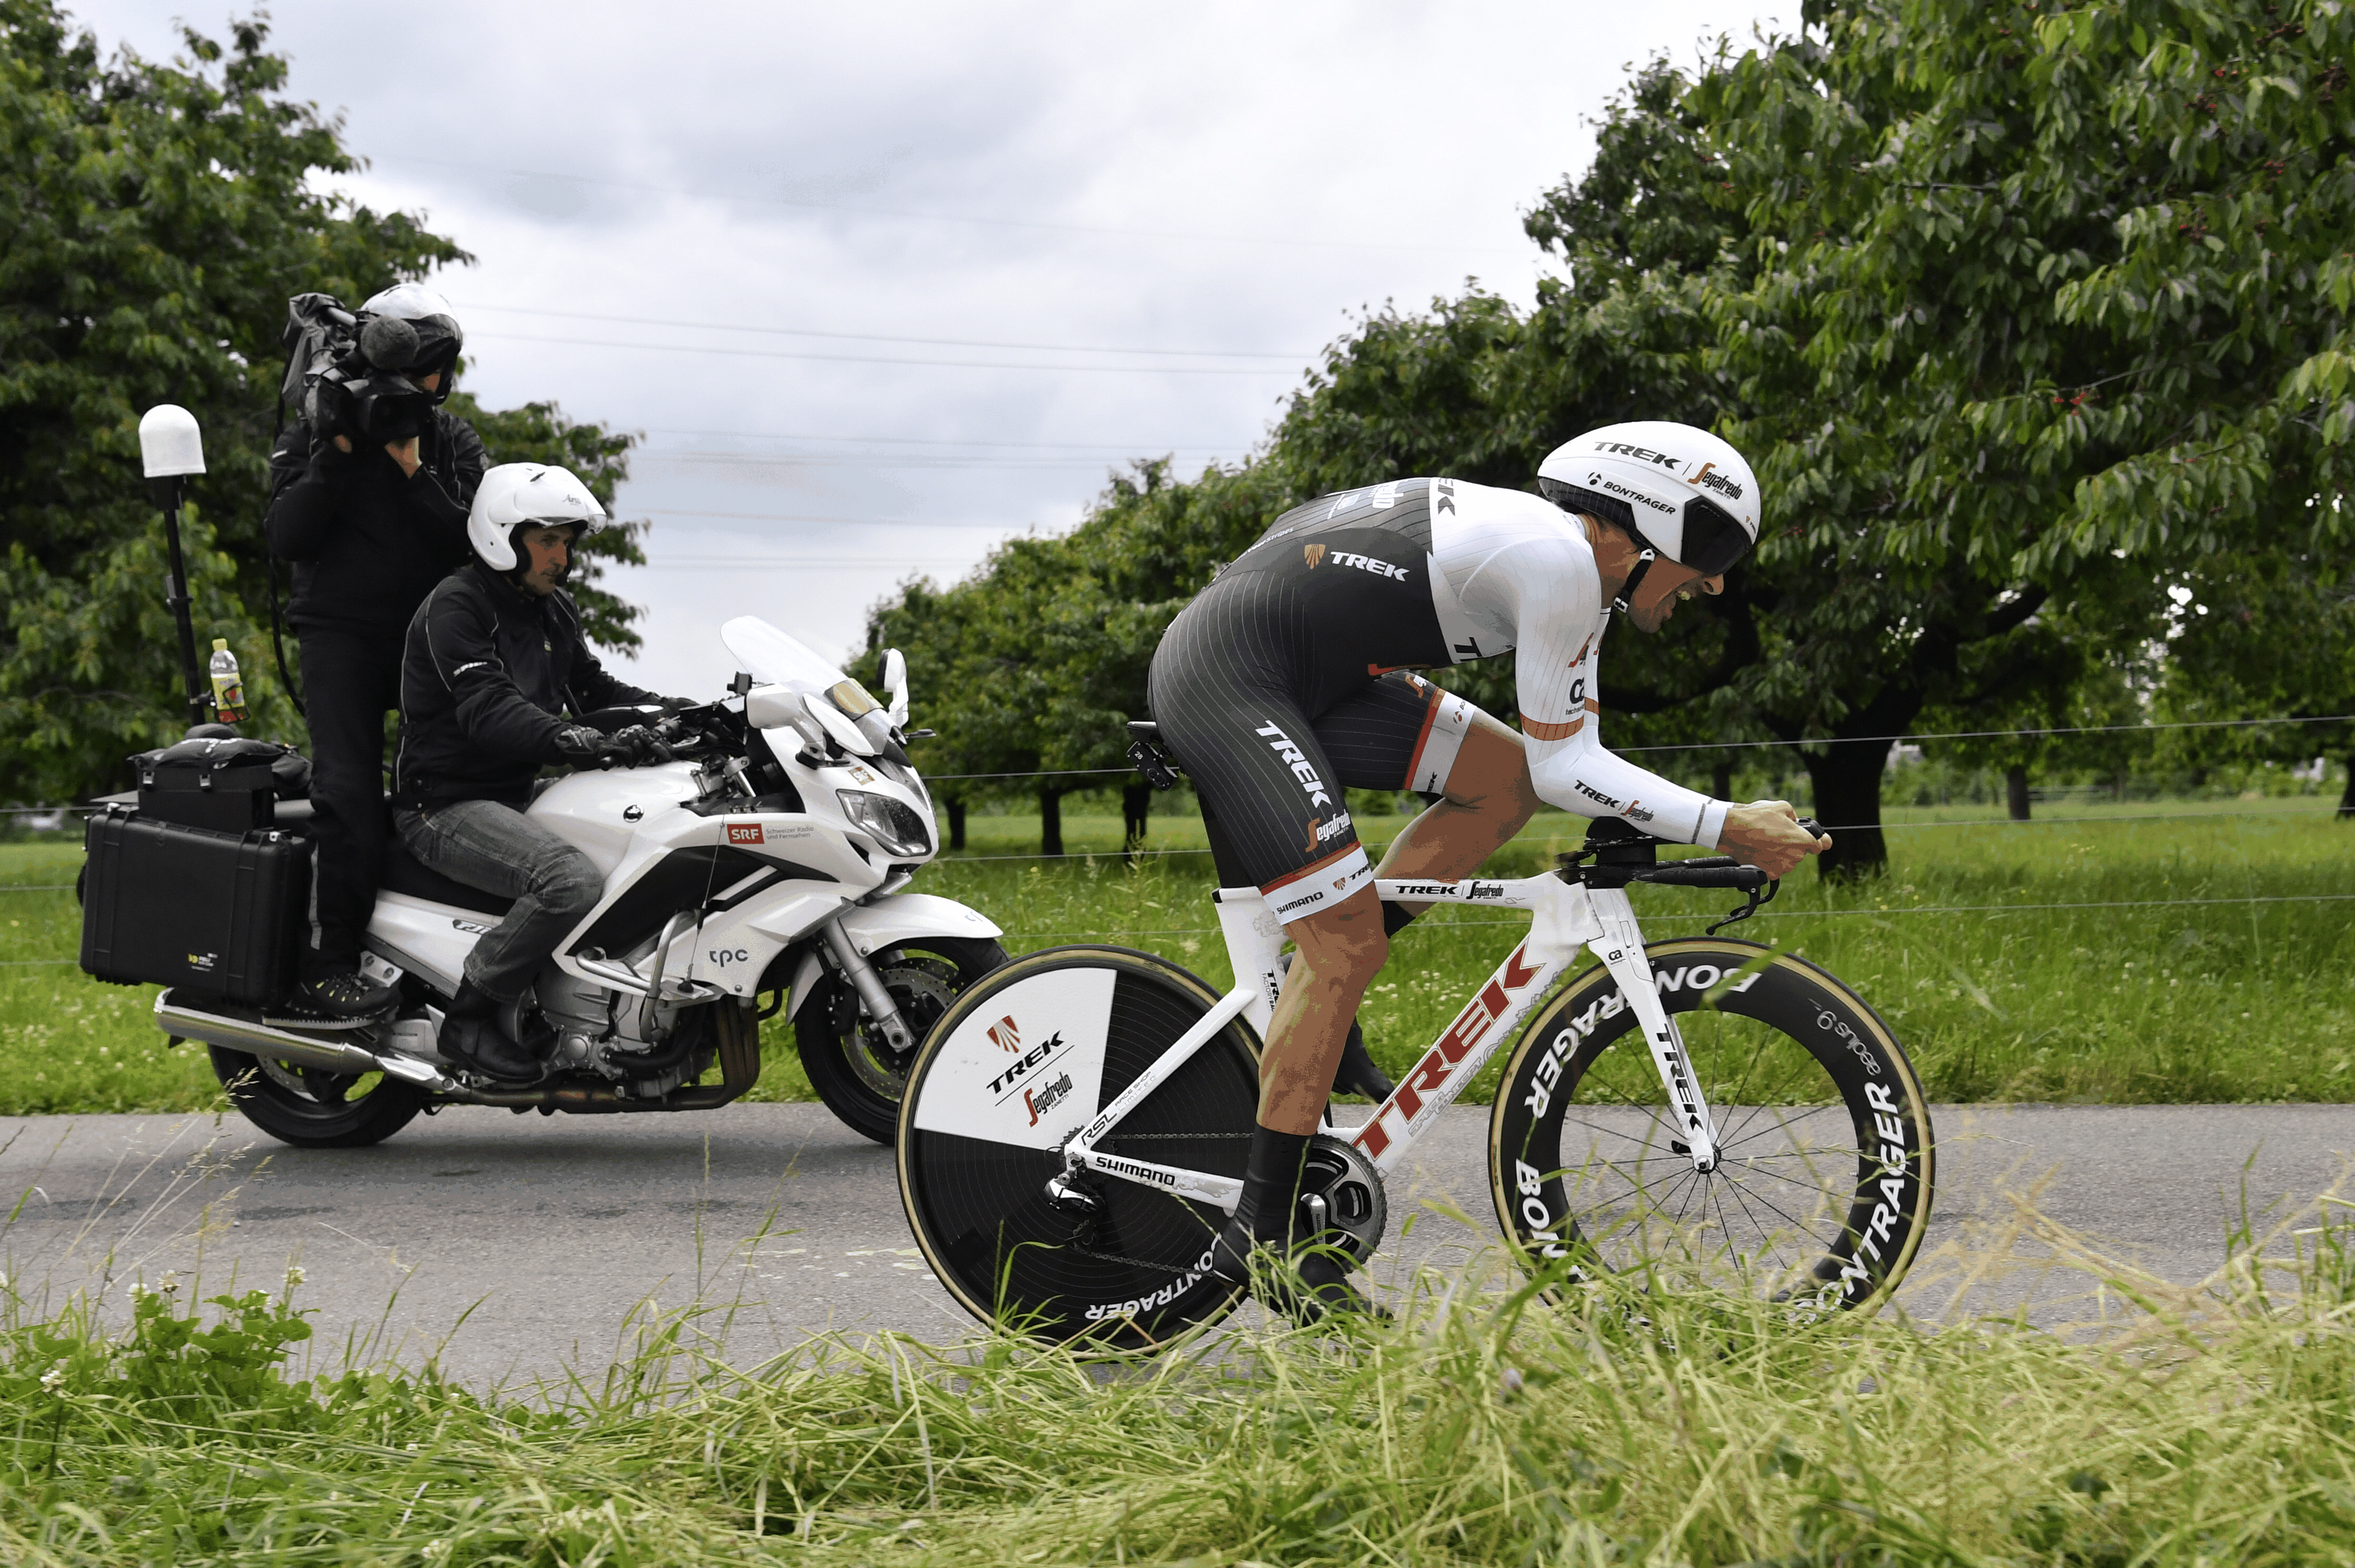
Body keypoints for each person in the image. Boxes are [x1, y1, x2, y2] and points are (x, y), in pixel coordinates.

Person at [1144, 420, 1830, 1321]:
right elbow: (1571, 768)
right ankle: (1266, 1241)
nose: (1717, 580)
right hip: (1233, 677)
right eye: (1712, 549)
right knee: (1344, 947)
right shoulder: (1559, 566)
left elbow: (1547, 768)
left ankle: (1325, 984)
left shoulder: (1553, 556)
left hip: (1301, 667)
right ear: (1648, 520)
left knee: (1498, 786)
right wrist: (1726, 825)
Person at [393, 463, 685, 1082]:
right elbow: (488, 708)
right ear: (504, 536)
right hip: (442, 805)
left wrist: (679, 716)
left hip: (513, 794)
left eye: (567, 541)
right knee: (568, 881)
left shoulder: (553, 611)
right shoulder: (458, 606)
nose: (562, 557)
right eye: (548, 540)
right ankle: (470, 1019)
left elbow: (595, 688)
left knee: (646, 834)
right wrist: (572, 740)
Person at [265, 283, 483, 1017]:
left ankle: (447, 955)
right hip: (340, 632)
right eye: (423, 368)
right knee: (349, 795)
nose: (428, 386)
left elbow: (474, 545)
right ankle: (328, 963)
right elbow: (284, 538)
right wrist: (334, 456)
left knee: (463, 789)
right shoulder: (321, 426)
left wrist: (411, 466)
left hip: (427, 635)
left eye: (436, 372)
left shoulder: (450, 440)